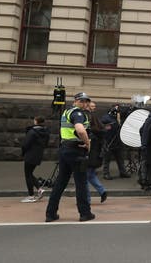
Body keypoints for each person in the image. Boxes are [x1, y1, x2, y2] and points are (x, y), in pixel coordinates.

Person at [45, 92, 95, 222]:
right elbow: (80, 130)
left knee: (60, 182)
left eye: (86, 101)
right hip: (76, 151)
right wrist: (88, 143)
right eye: (82, 101)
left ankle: (50, 213)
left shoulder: (67, 112)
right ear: (75, 101)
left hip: (64, 150)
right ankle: (85, 213)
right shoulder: (78, 114)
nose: (84, 104)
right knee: (81, 183)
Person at [21, 116, 49, 202]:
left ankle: (31, 195)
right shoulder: (46, 132)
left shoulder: (32, 132)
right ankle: (39, 189)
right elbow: (46, 143)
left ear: (36, 121)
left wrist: (23, 153)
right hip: (38, 155)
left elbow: (26, 144)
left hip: (30, 154)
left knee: (27, 174)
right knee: (29, 173)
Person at [85, 101, 107, 204]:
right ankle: (102, 191)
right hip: (96, 156)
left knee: (84, 177)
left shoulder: (91, 134)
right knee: (90, 175)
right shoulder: (100, 131)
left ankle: (86, 199)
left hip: (89, 156)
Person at [101, 104, 130, 180]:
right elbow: (103, 124)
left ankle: (123, 172)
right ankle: (106, 173)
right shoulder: (107, 117)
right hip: (109, 142)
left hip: (118, 142)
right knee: (107, 160)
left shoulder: (119, 118)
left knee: (120, 159)